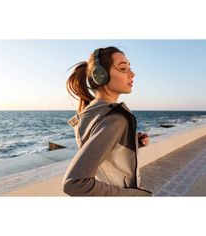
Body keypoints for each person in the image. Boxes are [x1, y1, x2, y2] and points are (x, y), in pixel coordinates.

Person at [62, 46, 152, 196]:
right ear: (100, 75)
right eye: (123, 68)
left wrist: (130, 141)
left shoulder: (91, 112)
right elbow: (74, 183)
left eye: (130, 67)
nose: (132, 73)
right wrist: (139, 196)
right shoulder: (115, 119)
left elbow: (102, 160)